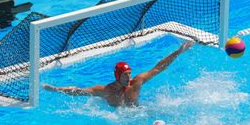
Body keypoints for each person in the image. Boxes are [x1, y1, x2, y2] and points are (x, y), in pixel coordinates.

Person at [43, 41, 194, 107]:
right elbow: (78, 91)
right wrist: (56, 89)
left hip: (139, 115)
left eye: (129, 74)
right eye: (125, 75)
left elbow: (158, 68)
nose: (129, 77)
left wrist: (179, 51)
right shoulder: (105, 91)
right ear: (117, 76)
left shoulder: (136, 83)